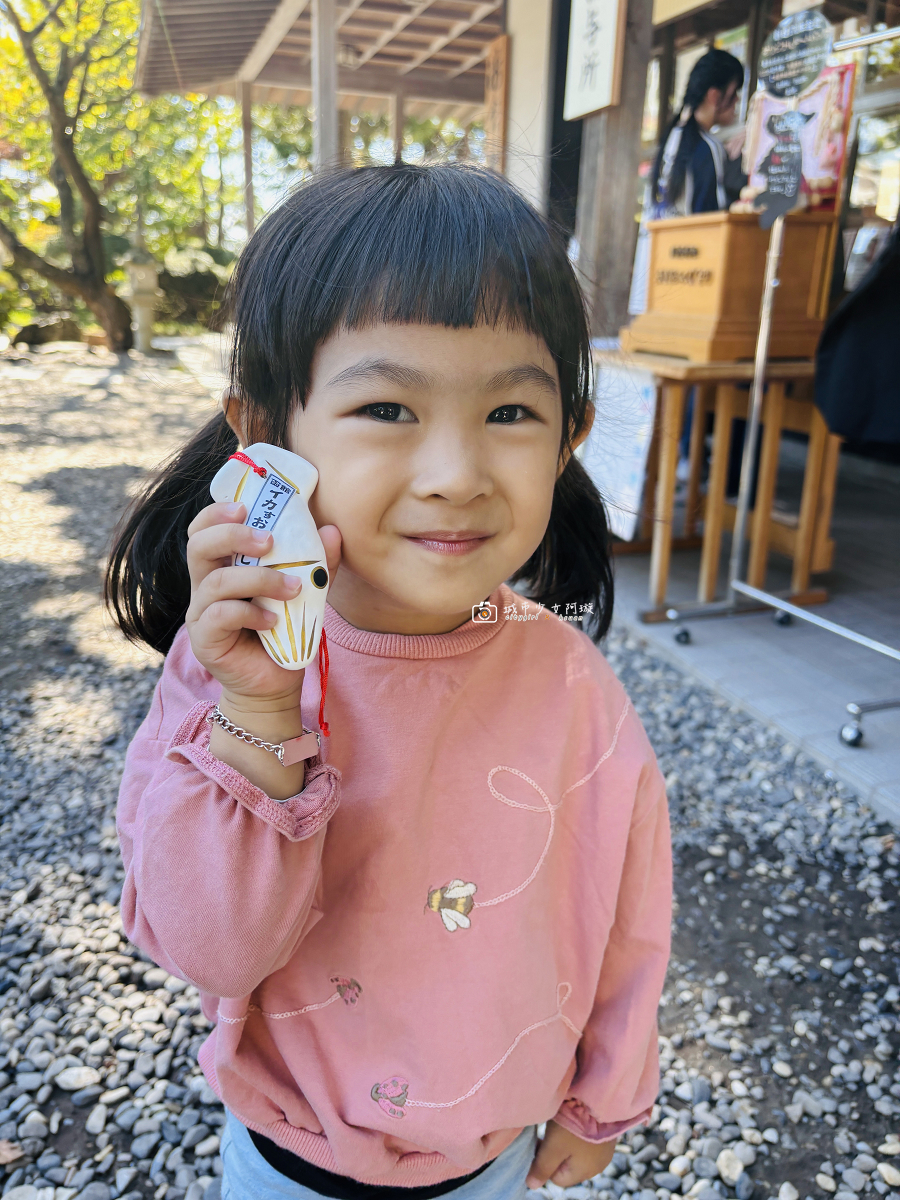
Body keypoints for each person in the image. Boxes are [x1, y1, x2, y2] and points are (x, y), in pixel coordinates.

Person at [107, 164, 672, 1200]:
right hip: (289, 1160)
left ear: (570, 436)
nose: (456, 470)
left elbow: (629, 910)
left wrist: (605, 1096)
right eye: (386, 407)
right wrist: (263, 711)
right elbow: (209, 949)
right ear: (266, 433)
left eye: (510, 413)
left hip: (490, 1160)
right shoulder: (232, 660)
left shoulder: (571, 684)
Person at [629, 48, 746, 316]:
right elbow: (711, 220)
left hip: (652, 284)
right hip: (687, 286)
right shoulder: (708, 147)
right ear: (715, 95)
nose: (737, 99)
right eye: (734, 91)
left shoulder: (671, 139)